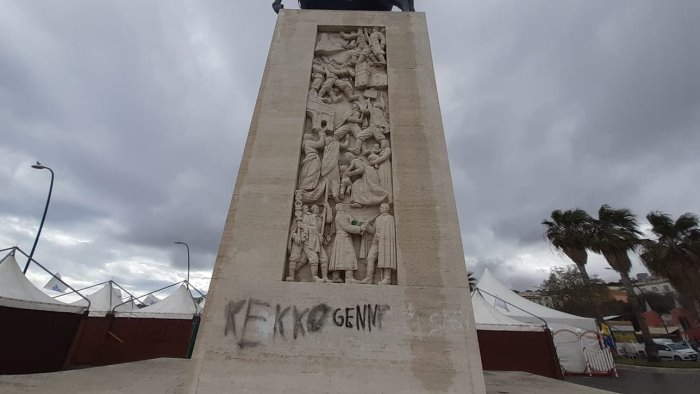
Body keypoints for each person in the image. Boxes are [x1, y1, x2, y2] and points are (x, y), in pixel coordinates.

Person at [328, 203, 365, 283]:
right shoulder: (339, 217)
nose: (342, 206)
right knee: (345, 256)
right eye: (340, 206)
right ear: (337, 208)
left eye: (342, 205)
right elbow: (346, 227)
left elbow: (353, 222)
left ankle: (343, 276)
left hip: (346, 238)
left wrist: (361, 224)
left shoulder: (346, 215)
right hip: (341, 238)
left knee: (344, 256)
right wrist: (359, 229)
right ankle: (340, 277)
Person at [362, 203, 396, 285]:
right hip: (376, 242)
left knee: (386, 257)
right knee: (370, 257)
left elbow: (390, 232)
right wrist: (367, 226)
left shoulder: (389, 218)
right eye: (380, 207)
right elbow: (373, 231)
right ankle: (369, 278)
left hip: (385, 242)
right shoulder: (378, 219)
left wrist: (383, 237)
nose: (380, 208)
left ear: (387, 209)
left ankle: (387, 278)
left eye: (382, 207)